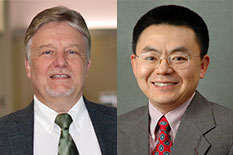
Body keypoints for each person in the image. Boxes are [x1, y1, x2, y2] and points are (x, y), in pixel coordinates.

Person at [0, 6, 116, 155]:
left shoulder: (122, 126)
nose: (61, 62)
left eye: (72, 52)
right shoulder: (3, 136)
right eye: (47, 52)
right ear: (28, 66)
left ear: (87, 65)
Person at [118, 5, 233, 155]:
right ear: (135, 64)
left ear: (203, 66)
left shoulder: (229, 131)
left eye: (179, 58)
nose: (163, 69)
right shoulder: (117, 127)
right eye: (151, 58)